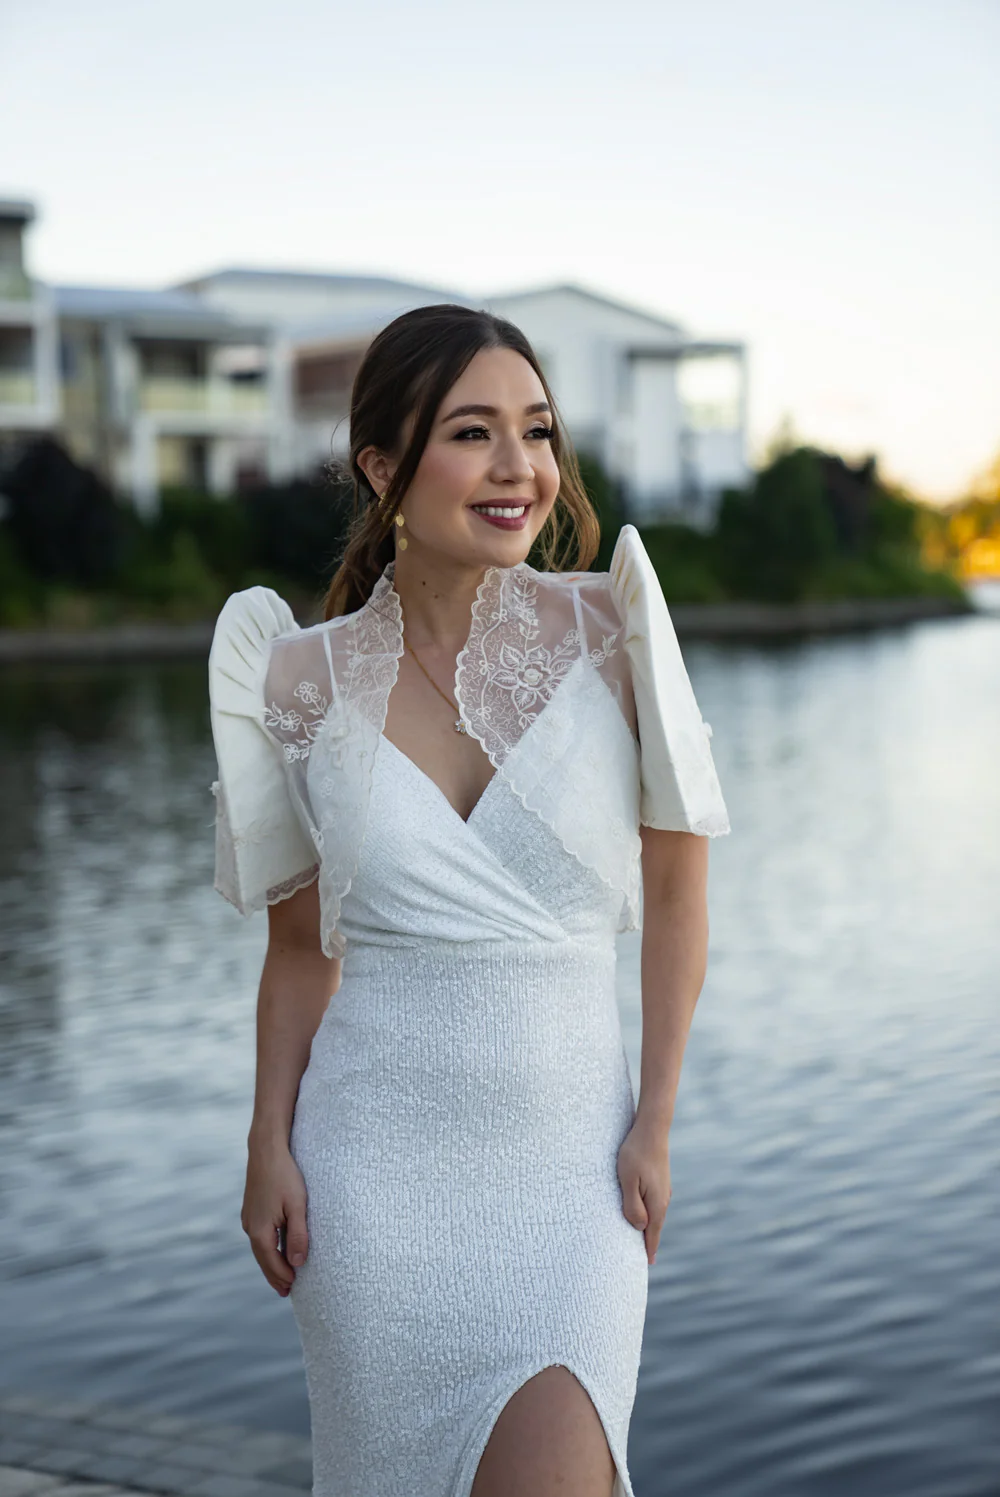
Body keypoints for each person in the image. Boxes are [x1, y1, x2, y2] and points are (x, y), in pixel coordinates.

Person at [208, 304, 730, 1497]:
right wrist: (266, 1147)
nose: (520, 469)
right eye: (474, 433)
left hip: (572, 1179)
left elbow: (679, 889)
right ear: (383, 467)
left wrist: (655, 1117)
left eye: (537, 432)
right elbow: (299, 953)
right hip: (373, 1182)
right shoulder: (294, 679)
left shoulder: (614, 630)